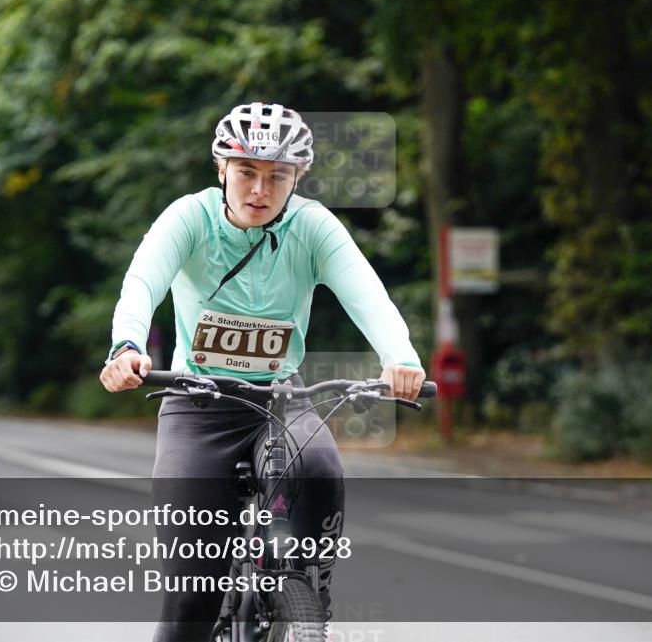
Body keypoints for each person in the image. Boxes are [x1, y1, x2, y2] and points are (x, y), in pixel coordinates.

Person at [100, 102, 425, 642]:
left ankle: (309, 589)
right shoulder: (189, 218)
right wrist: (127, 346)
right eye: (247, 171)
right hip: (197, 402)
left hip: (281, 399)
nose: (260, 189)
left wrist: (401, 357)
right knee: (190, 600)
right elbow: (142, 283)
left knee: (319, 465)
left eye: (278, 176)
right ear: (221, 169)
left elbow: (367, 293)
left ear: (297, 178)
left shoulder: (313, 226)